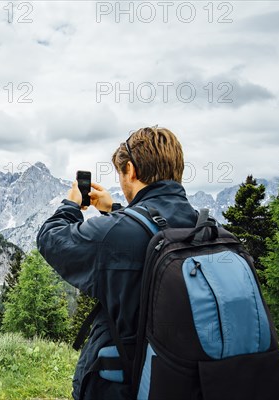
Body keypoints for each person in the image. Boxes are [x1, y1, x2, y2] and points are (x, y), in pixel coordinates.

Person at [37, 126, 198, 400]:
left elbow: (51, 238)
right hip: (190, 379)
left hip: (125, 384)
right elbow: (154, 233)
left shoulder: (116, 233)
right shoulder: (203, 226)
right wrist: (114, 210)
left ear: (131, 171)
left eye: (121, 174)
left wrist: (71, 204)